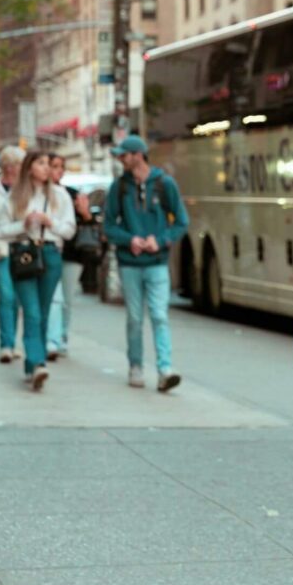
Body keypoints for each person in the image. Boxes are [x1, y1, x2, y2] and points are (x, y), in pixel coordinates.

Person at [103, 134, 188, 392]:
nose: (120, 159)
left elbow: (182, 222)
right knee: (135, 318)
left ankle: (165, 369)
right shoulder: (119, 187)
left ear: (138, 155)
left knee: (160, 316)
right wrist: (130, 240)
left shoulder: (164, 184)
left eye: (123, 155)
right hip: (130, 263)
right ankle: (136, 365)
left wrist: (160, 240)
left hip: (157, 262)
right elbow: (108, 226)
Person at [0, 150, 75, 391]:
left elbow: (70, 230)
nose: (46, 168)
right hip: (24, 255)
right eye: (41, 163)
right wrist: (25, 223)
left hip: (51, 254)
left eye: (48, 164)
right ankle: (39, 362)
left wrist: (51, 223)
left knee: (42, 310)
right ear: (30, 167)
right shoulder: (16, 197)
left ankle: (32, 363)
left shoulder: (60, 195)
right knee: (31, 312)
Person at [46, 155, 100, 359]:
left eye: (61, 167)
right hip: (49, 251)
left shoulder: (72, 194)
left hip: (72, 253)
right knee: (51, 298)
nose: (58, 171)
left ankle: (61, 336)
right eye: (54, 166)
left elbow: (90, 223)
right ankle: (51, 338)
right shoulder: (39, 194)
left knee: (66, 299)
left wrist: (84, 213)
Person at [0, 145, 26, 363]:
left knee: (14, 298)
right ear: (7, 166)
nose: (18, 169)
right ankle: (6, 344)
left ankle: (11, 342)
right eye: (16, 164)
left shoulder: (24, 191)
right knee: (6, 295)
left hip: (19, 249)